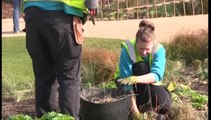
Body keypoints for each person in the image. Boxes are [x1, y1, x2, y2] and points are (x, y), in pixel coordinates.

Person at [23, 0, 98, 120]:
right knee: (69, 77)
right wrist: (92, 4)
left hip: (33, 14)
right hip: (63, 14)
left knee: (43, 76)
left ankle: (45, 117)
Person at [114, 20, 172, 120]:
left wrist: (136, 79)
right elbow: (127, 85)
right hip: (125, 81)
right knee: (141, 67)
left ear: (153, 44)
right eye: (140, 48)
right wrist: (135, 112)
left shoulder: (159, 50)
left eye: (147, 49)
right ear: (136, 42)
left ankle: (149, 106)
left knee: (164, 107)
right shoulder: (127, 49)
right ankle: (146, 110)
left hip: (146, 81)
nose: (144, 52)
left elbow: (157, 75)